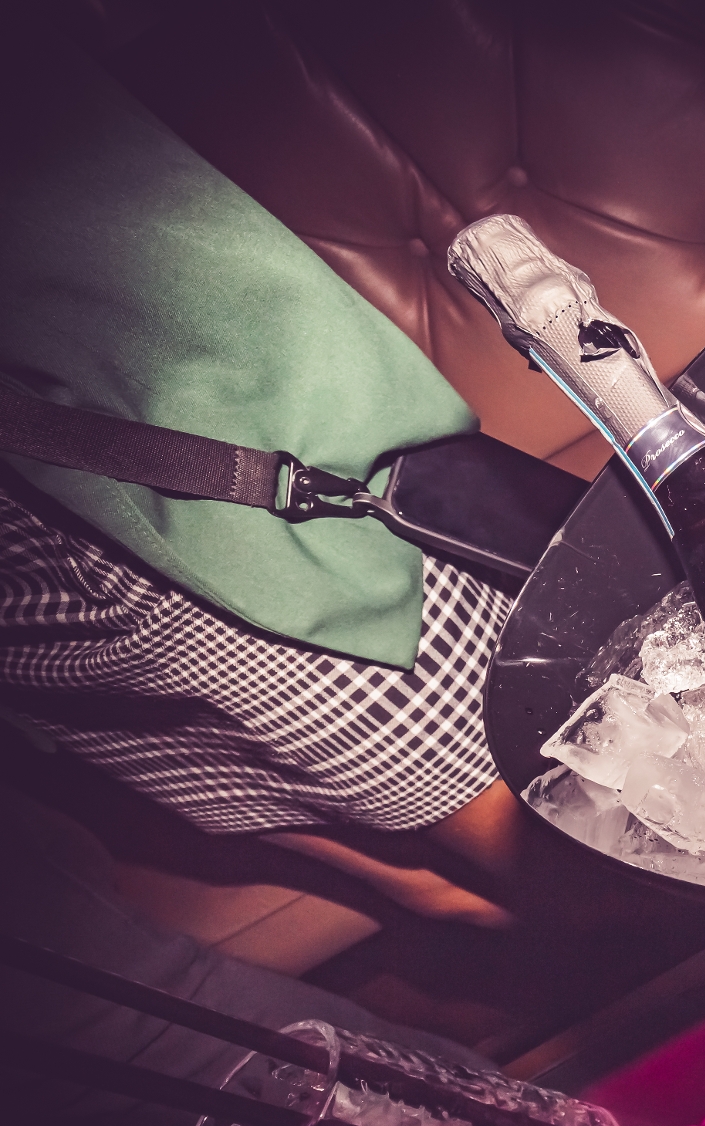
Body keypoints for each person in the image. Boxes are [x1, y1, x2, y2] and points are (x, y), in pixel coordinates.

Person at [0, 28, 523, 925]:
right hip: (173, 552)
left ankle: (401, 874)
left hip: (208, 509)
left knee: (526, 852)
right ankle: (392, 871)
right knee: (561, 861)